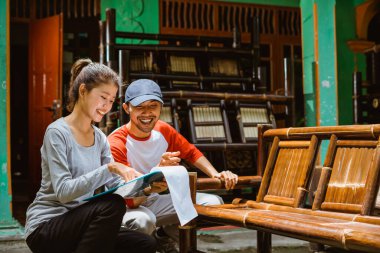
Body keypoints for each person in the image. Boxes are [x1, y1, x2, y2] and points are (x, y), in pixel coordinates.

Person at [24, 60, 156, 253]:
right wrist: (110, 167)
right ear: (83, 90)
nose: (107, 106)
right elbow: (64, 192)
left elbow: (114, 187)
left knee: (145, 244)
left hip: (80, 224)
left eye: (111, 101)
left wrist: (146, 186)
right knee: (112, 206)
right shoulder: (57, 133)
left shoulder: (100, 138)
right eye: (103, 97)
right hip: (46, 226)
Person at [108, 79, 238, 253]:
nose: (147, 113)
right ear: (126, 108)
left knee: (212, 202)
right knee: (142, 221)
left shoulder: (163, 129)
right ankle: (148, 245)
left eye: (153, 106)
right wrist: (157, 170)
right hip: (125, 207)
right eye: (140, 107)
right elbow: (130, 199)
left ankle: (166, 236)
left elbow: (191, 153)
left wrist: (216, 174)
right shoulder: (116, 142)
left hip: (153, 200)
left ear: (161, 107)